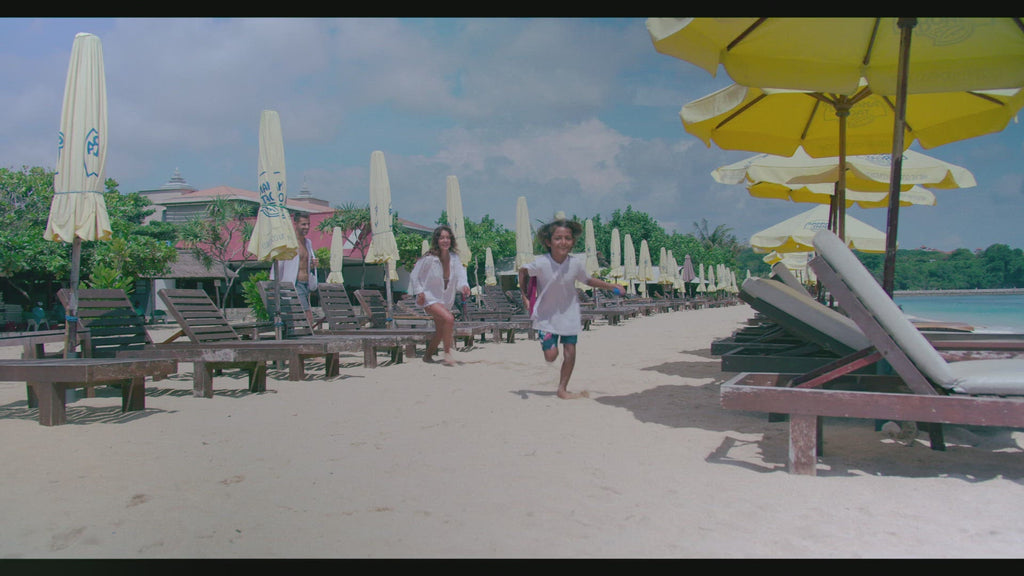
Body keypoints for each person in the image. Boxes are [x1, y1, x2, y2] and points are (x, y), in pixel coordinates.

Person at [519, 218, 624, 399]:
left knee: (570, 353)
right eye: (558, 238)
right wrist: (525, 296)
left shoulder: (575, 264)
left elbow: (588, 280)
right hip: (546, 316)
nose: (563, 242)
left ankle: (562, 389)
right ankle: (547, 343)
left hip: (569, 314)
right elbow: (522, 272)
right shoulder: (541, 263)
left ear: (573, 241)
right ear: (548, 242)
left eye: (568, 238)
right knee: (551, 356)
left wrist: (611, 286)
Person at [409, 225, 471, 366]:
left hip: (445, 300)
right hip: (429, 298)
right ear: (437, 240)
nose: (445, 240)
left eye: (448, 238)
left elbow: (461, 276)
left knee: (440, 331)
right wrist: (419, 292)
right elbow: (414, 275)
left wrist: (464, 286)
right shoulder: (429, 258)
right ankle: (447, 352)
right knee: (449, 318)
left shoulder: (455, 258)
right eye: (442, 237)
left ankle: (427, 356)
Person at [271, 211, 319, 328]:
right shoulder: (288, 243)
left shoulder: (308, 243)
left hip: (306, 285)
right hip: (295, 284)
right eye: (303, 224)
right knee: (308, 316)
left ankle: (296, 334)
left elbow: (303, 264)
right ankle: (308, 337)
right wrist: (274, 284)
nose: (306, 227)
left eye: (308, 224)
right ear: (295, 224)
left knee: (298, 317)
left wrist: (312, 265)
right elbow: (278, 264)